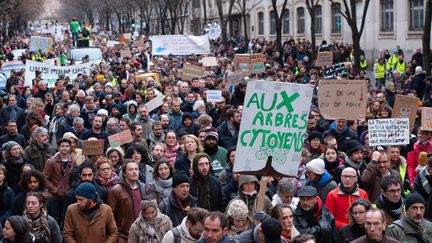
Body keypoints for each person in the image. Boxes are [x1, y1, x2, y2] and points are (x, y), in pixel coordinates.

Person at [108, 159, 148, 243]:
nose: (134, 172)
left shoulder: (144, 188)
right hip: (124, 236)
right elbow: (110, 215)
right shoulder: (116, 190)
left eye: (136, 169)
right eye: (131, 170)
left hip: (142, 234)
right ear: (124, 173)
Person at [43, 137, 76, 226]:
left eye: (67, 146)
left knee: (66, 218)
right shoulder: (51, 161)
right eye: (62, 146)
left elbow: (74, 177)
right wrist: (54, 189)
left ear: (70, 147)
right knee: (55, 218)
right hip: (55, 196)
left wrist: (70, 189)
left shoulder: (72, 161)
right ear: (59, 147)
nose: (65, 148)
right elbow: (45, 178)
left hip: (67, 195)